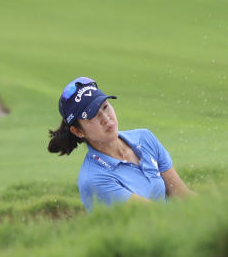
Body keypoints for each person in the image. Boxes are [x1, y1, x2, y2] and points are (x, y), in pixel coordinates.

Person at [47, 76, 195, 211]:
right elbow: (154, 216)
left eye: (105, 107)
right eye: (92, 115)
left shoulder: (144, 138)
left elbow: (182, 195)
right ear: (78, 131)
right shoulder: (94, 179)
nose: (106, 118)